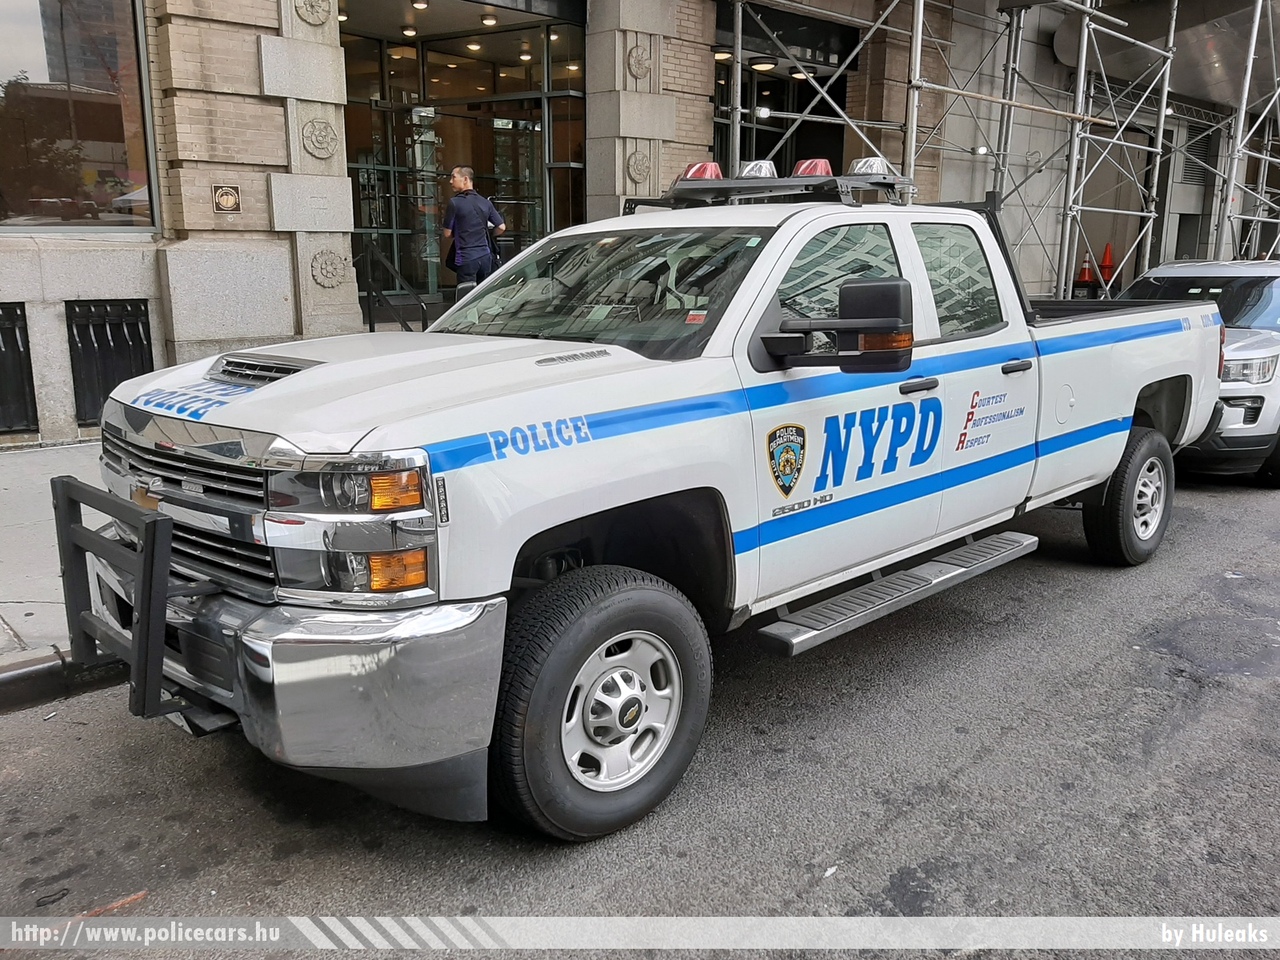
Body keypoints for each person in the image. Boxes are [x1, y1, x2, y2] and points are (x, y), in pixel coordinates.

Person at [443, 165, 505, 295]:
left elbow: (447, 233)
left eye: (453, 177)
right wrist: (489, 234)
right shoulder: (485, 202)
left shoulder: (455, 203)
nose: (450, 181)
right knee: (483, 295)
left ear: (465, 179)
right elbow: (501, 227)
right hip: (485, 257)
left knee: (466, 296)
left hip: (466, 257)